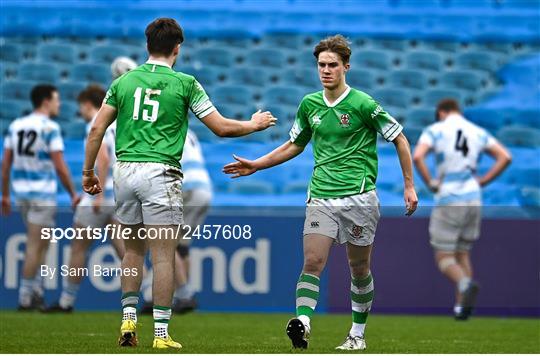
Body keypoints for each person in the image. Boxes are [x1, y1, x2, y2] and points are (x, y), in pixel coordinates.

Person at [82, 18, 276, 349]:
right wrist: (254, 124)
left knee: (131, 250)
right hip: (161, 173)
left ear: (147, 46)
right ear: (177, 48)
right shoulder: (185, 83)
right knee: (162, 256)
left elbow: (97, 129)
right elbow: (221, 128)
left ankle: (128, 318)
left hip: (125, 170)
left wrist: (88, 172)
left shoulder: (124, 82)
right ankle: (160, 335)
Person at [223, 35, 418, 351]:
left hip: (359, 198)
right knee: (313, 261)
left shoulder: (364, 104)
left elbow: (400, 139)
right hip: (321, 197)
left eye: (332, 65)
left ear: (346, 67)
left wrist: (409, 185)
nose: (326, 70)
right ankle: (303, 322)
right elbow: (294, 145)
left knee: (359, 269)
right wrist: (257, 165)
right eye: (321, 65)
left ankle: (357, 334)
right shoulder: (309, 104)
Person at [413, 98, 511, 320]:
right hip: (474, 198)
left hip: (450, 197)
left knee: (444, 256)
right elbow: (505, 156)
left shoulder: (436, 129)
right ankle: (462, 308)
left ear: (441, 112)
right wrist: (483, 181)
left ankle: (463, 283)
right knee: (463, 252)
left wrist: (431, 182)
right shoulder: (476, 131)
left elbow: (418, 156)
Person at [45, 84, 125, 312]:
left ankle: (66, 301)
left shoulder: (96, 124)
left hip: (99, 196)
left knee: (79, 247)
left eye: (81, 106)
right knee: (125, 250)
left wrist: (96, 193)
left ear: (88, 105)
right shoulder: (117, 124)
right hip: (117, 195)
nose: (80, 111)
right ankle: (148, 292)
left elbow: (104, 158)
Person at [1, 84, 80, 311]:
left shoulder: (16, 125)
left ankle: (35, 290)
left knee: (41, 244)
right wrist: (73, 193)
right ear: (45, 101)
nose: (59, 104)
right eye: (56, 100)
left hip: (21, 193)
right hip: (42, 194)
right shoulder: (49, 128)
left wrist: (5, 194)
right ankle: (25, 296)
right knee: (36, 246)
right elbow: (60, 167)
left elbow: (5, 165)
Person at [140, 128, 212, 314]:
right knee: (181, 247)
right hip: (204, 190)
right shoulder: (191, 132)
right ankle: (177, 297)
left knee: (164, 243)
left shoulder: (164, 130)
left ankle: (182, 294)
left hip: (184, 188)